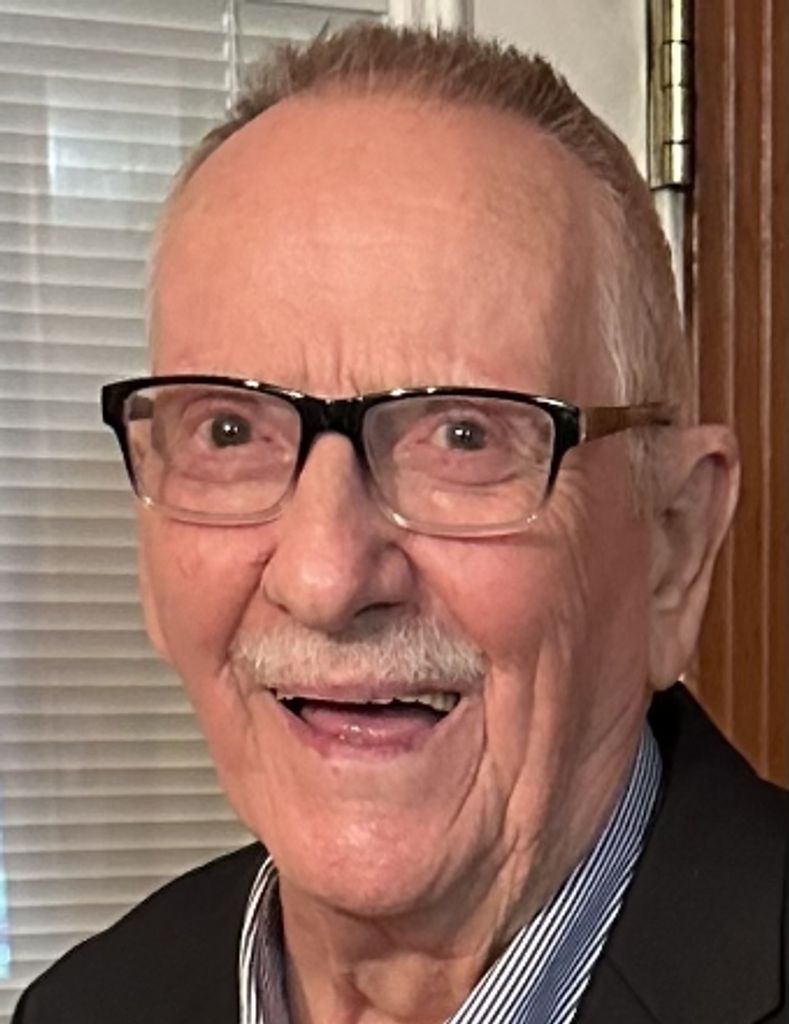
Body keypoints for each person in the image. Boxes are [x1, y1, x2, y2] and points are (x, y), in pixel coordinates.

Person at [13, 23, 788, 1024]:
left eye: (463, 436)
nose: (325, 576)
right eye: (231, 430)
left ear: (674, 547)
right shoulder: (85, 1007)